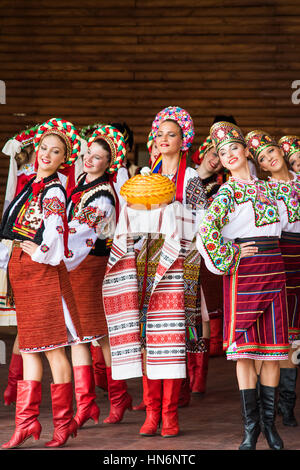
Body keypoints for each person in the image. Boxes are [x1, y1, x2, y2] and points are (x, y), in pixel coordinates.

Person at [197, 121, 289, 450]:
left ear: (245, 150)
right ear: (220, 160)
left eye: (234, 148)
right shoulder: (226, 193)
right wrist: (231, 253)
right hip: (244, 273)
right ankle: (251, 428)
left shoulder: (271, 189)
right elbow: (206, 230)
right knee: (245, 355)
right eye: (223, 153)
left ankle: (270, 425)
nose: (229, 155)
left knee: (274, 354)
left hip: (274, 269)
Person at [0, 117, 84, 449]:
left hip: (43, 273)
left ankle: (63, 424)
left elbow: (55, 228)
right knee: (30, 348)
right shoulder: (29, 183)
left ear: (65, 159)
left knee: (52, 350)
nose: (47, 155)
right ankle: (26, 422)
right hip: (23, 272)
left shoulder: (52, 189)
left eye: (55, 151)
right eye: (43, 148)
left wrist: (43, 250)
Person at [135, 106, 205, 436]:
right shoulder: (147, 175)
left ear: (184, 140)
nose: (164, 139)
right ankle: (151, 412)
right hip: (149, 262)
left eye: (171, 134)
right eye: (160, 134)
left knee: (174, 338)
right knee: (150, 337)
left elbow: (201, 222)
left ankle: (170, 413)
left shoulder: (190, 178)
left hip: (181, 263)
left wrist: (171, 214)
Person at [66, 124, 133, 427]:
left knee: (100, 335)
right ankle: (86, 404)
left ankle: (118, 398)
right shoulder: (81, 182)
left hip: (91, 267)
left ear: (109, 162)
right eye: (87, 154)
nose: (89, 159)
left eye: (97, 156)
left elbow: (83, 231)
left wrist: (49, 240)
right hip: (72, 266)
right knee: (77, 335)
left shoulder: (103, 195)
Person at [245, 131, 300, 427]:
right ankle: (278, 407)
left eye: (271, 152)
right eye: (262, 158)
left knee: (297, 334)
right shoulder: (263, 190)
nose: (269, 158)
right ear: (262, 167)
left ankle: (287, 402)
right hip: (280, 257)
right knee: (284, 333)